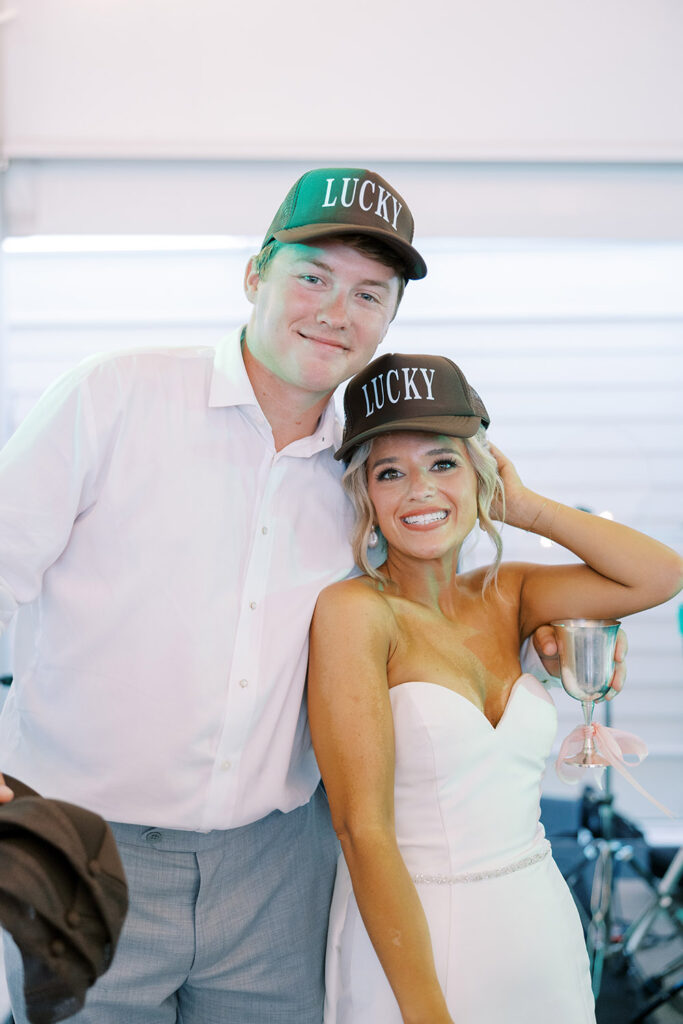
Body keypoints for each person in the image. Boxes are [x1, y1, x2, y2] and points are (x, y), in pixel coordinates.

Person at [0, 167, 623, 1023]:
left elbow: (433, 607)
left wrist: (551, 632)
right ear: (255, 274)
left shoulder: (374, 472)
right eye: (313, 276)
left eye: (370, 293)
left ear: (390, 318)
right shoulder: (113, 397)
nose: (337, 311)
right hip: (88, 851)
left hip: (282, 869)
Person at [308, 352, 683, 1024]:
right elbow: (360, 829)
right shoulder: (355, 612)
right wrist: (425, 1012)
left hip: (535, 921)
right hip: (413, 939)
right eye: (389, 472)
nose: (418, 490)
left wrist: (530, 508)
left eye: (442, 463)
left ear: (481, 474)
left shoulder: (508, 591)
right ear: (366, 495)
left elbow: (657, 575)